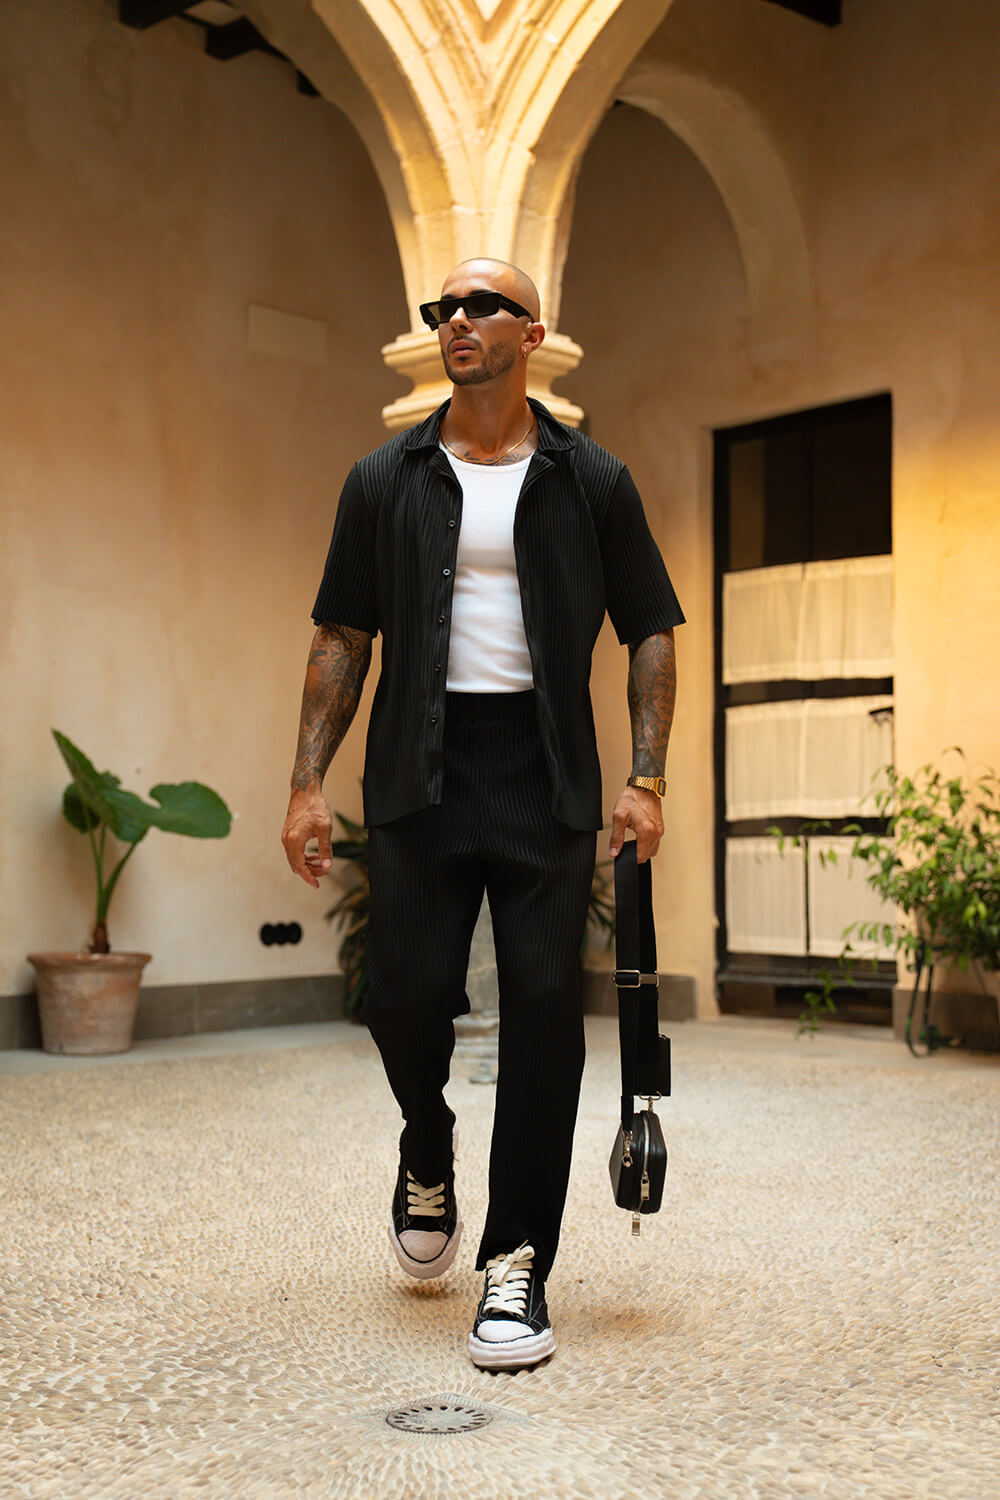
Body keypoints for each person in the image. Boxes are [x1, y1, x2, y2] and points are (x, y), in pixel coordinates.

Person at [281, 258, 683, 1371]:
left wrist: (646, 778)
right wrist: (307, 783)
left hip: (544, 775)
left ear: (532, 332)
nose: (456, 320)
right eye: (442, 309)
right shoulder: (384, 480)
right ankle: (427, 1140)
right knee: (401, 999)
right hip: (418, 767)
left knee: (546, 1013)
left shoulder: (592, 480)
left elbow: (650, 627)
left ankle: (516, 1262)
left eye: (480, 305)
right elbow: (341, 638)